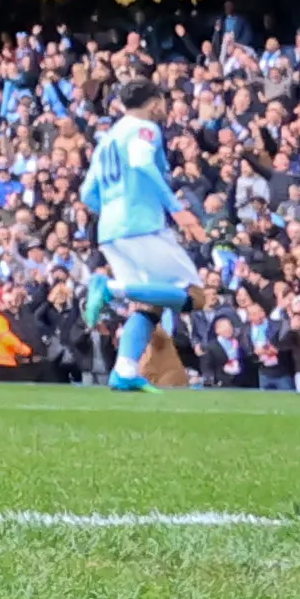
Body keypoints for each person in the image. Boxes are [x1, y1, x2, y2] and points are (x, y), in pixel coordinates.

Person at [81, 110, 202, 390]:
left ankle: (124, 370)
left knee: (150, 306)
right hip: (140, 224)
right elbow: (141, 163)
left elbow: (87, 193)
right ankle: (110, 289)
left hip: (110, 229)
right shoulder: (143, 128)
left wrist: (110, 210)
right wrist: (176, 208)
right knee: (196, 296)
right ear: (155, 102)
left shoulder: (105, 141)